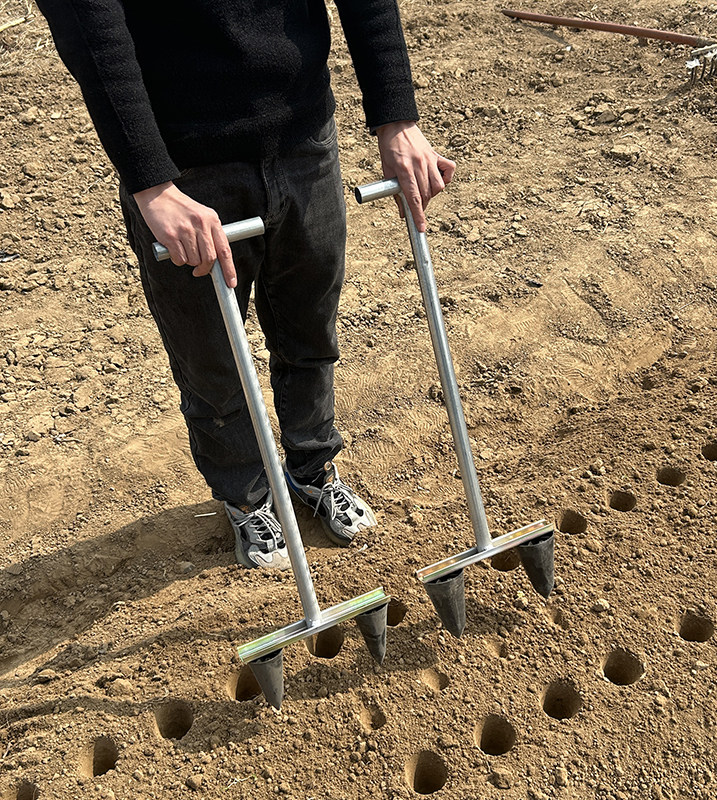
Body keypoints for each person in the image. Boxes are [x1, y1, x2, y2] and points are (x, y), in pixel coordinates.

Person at [36, 0, 455, 570]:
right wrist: (150, 182)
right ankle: (247, 496)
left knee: (309, 325)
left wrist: (396, 113)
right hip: (185, 162)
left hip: (303, 130)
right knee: (211, 358)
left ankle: (311, 470)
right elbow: (88, 21)